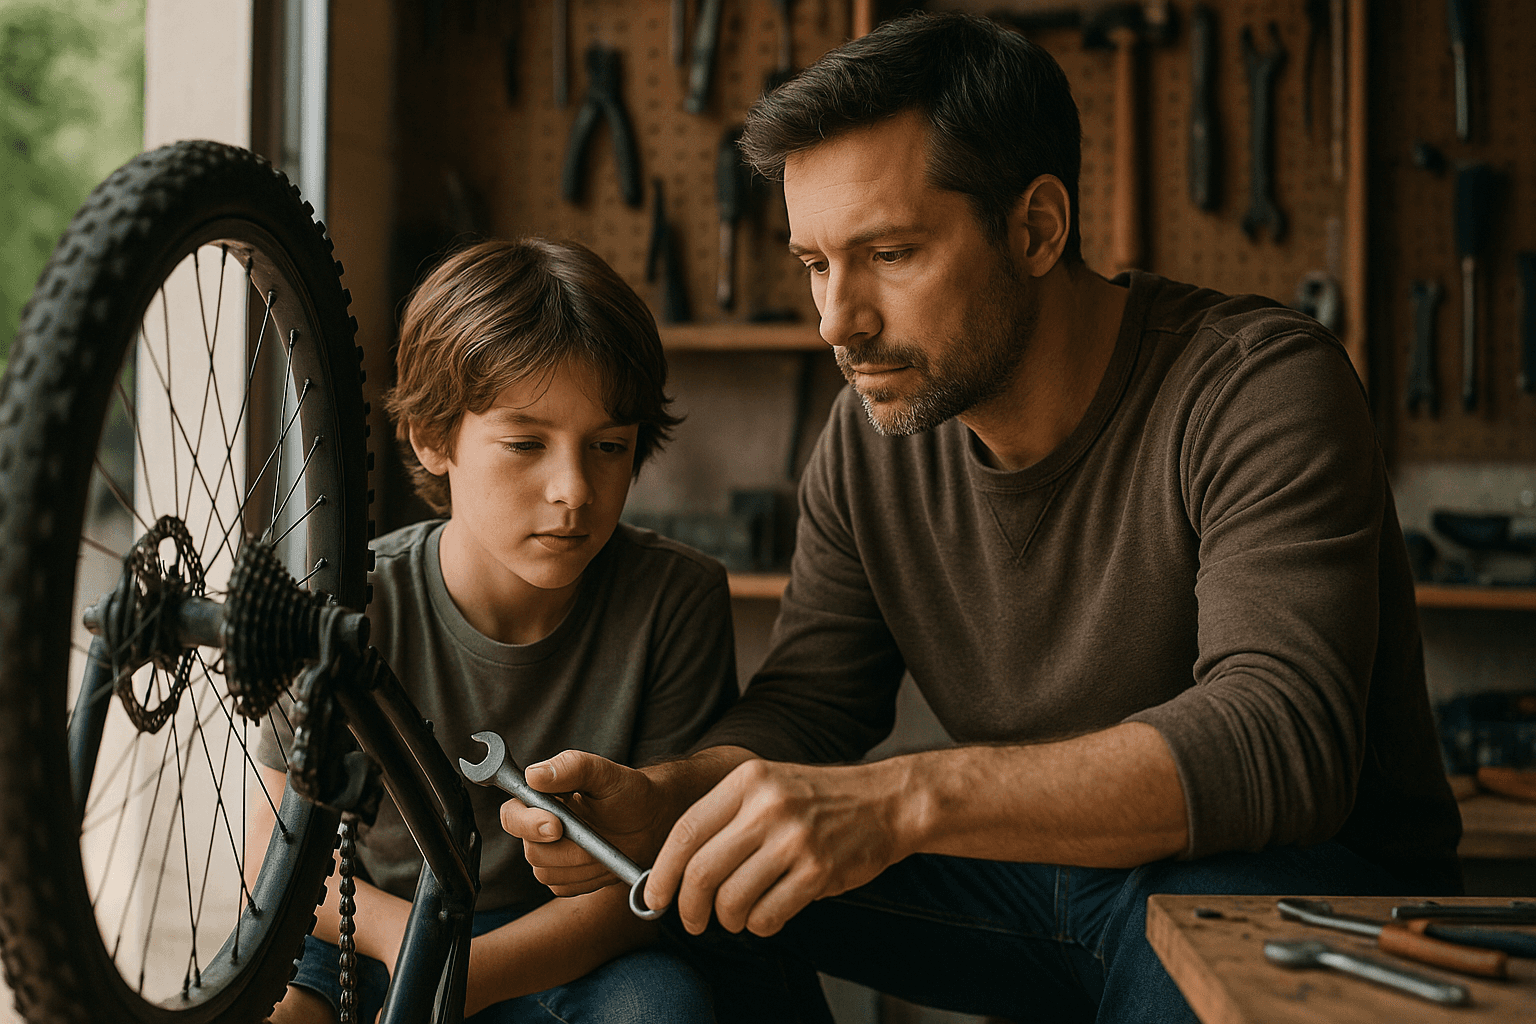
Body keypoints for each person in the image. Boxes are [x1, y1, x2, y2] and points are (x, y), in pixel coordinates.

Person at [498, 12, 1464, 1024]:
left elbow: (1280, 739)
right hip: (1027, 885)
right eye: (817, 263)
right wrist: (674, 798)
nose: (836, 320)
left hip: (1301, 896)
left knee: (1185, 926)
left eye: (889, 253)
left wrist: (903, 802)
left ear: (1038, 227)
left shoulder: (1256, 386)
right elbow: (813, 707)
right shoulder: (869, 435)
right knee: (711, 887)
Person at [255, 237, 736, 1023]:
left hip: (563, 950)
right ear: (433, 439)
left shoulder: (676, 601)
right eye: (525, 444)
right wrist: (413, 945)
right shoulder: (349, 603)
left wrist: (459, 976)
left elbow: (641, 881)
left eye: (609, 447)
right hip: (370, 928)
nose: (573, 490)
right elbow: (272, 853)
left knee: (663, 1011)